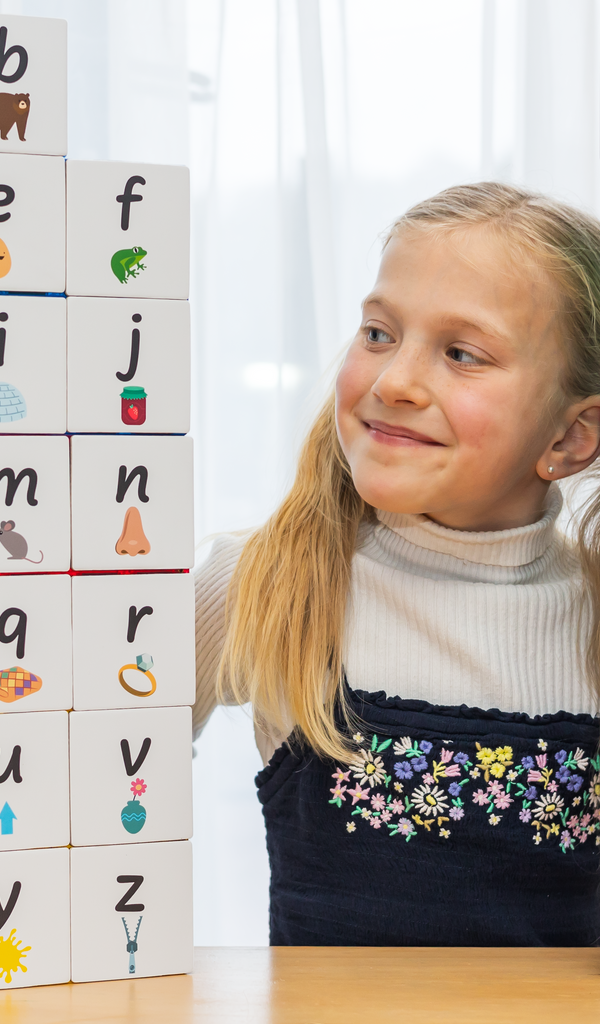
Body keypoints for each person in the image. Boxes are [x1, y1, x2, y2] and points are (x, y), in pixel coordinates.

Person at [194, 183, 600, 945]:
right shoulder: (261, 581)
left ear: (570, 439)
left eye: (460, 353)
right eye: (379, 333)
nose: (393, 382)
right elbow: (88, 783)